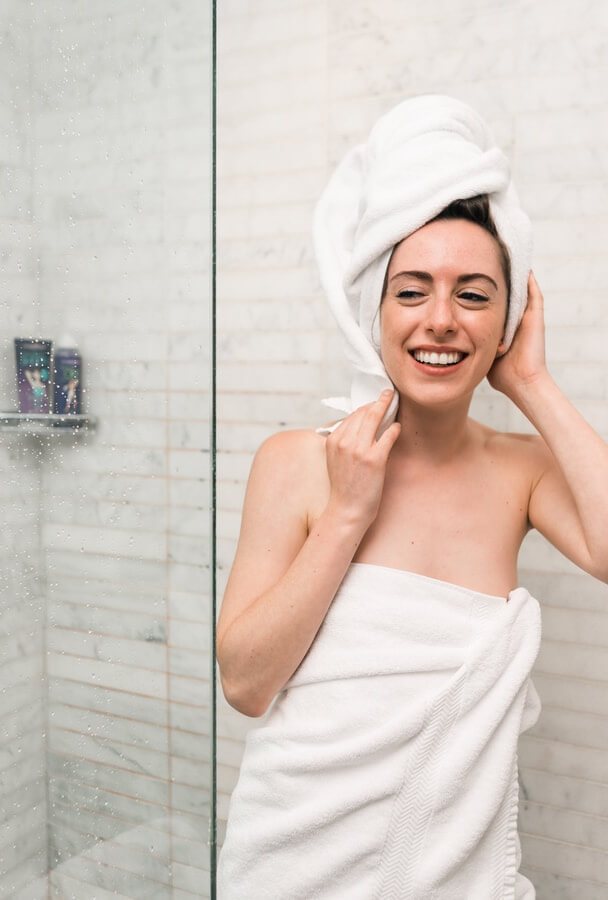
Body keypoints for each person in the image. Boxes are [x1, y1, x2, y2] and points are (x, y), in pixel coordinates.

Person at [215, 97, 608, 899]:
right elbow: (246, 686)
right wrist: (348, 513)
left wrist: (531, 380)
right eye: (412, 291)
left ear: (507, 318)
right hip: (297, 865)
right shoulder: (295, 464)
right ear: (374, 309)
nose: (440, 322)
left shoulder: (520, 472)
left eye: (473, 295)